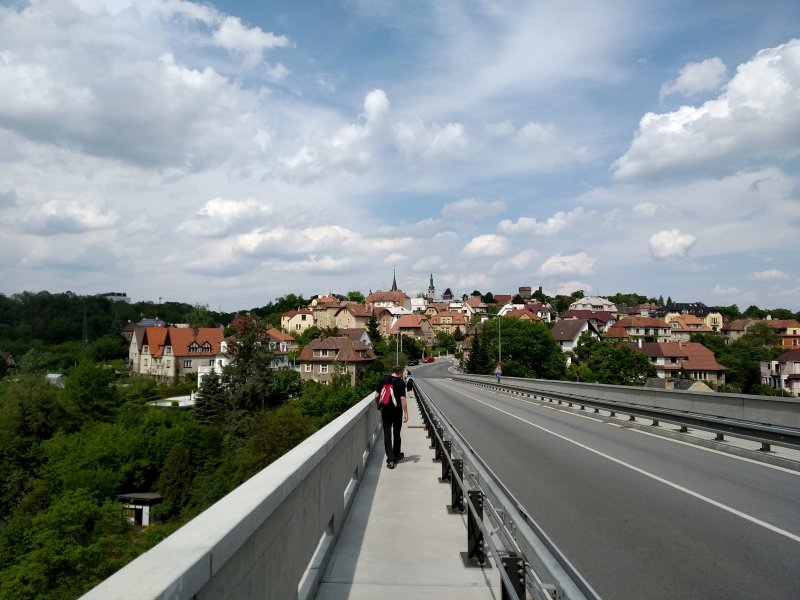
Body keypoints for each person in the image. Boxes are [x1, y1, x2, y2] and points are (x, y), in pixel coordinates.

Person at [374, 365, 408, 469]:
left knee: (387, 435)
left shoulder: (384, 379)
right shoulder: (400, 382)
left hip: (386, 411)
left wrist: (379, 406)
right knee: (397, 433)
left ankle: (390, 459)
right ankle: (396, 455)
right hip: (396, 411)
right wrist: (406, 413)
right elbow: (402, 398)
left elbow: (376, 395)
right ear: (399, 372)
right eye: (402, 372)